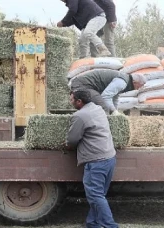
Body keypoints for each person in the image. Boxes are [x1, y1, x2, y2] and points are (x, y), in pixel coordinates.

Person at [65, 89, 119, 228]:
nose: (70, 102)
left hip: (96, 161)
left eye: (72, 99)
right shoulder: (97, 108)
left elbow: (72, 140)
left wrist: (68, 146)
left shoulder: (80, 115)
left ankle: (110, 225)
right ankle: (92, 223)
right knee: (99, 195)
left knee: (95, 196)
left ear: (79, 101)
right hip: (109, 157)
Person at [68, 69, 147, 115]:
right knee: (104, 107)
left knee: (106, 107)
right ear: (135, 82)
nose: (140, 87)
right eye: (141, 85)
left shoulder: (125, 81)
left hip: (87, 86)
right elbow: (105, 96)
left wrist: (116, 112)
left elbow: (114, 97)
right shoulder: (122, 82)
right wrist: (113, 111)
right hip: (82, 85)